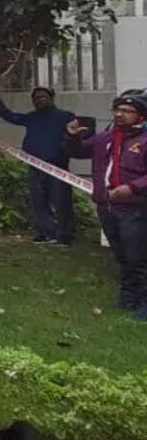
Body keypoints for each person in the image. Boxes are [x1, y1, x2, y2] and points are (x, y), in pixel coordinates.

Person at [65, 90, 147, 320]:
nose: (121, 115)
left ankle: (144, 301)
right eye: (118, 110)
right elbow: (78, 151)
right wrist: (72, 137)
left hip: (136, 208)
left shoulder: (144, 140)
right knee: (122, 256)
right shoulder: (106, 138)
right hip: (107, 207)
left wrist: (132, 188)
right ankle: (128, 296)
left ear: (141, 116)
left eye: (128, 111)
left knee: (138, 256)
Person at [0, 87, 76, 244]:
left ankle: (64, 235)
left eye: (42, 97)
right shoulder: (32, 118)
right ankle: (45, 232)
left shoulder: (65, 117)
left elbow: (80, 135)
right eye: (35, 98)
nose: (39, 100)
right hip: (35, 166)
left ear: (52, 98)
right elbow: (9, 116)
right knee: (38, 201)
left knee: (61, 201)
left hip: (57, 167)